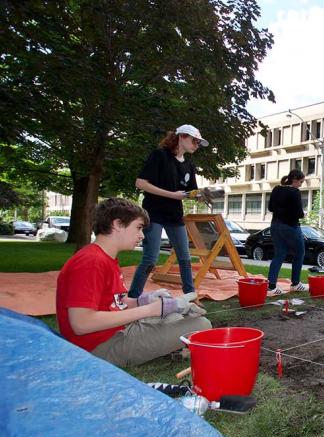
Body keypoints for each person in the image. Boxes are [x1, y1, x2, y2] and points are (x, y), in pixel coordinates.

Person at [57, 198, 211, 367]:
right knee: (201, 324)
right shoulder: (91, 262)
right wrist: (149, 310)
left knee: (176, 316)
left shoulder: (105, 258)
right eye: (138, 228)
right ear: (117, 224)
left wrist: (143, 300)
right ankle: (174, 346)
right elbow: (81, 324)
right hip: (99, 347)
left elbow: (115, 303)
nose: (142, 235)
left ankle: (171, 342)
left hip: (113, 333)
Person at [128, 124, 208, 299]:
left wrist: (200, 195)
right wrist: (172, 195)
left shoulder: (189, 166)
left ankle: (190, 297)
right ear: (182, 136)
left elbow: (189, 193)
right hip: (154, 213)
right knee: (150, 259)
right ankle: (132, 298)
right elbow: (141, 183)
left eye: (199, 143)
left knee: (185, 258)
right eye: (195, 141)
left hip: (174, 216)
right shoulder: (159, 156)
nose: (197, 145)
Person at [267, 169, 309, 295]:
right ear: (295, 180)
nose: (301, 184)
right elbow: (299, 213)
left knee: (279, 254)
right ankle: (295, 283)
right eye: (301, 182)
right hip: (290, 226)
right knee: (300, 252)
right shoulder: (295, 192)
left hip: (275, 225)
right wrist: (303, 214)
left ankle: (272, 286)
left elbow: (270, 208)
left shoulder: (276, 189)